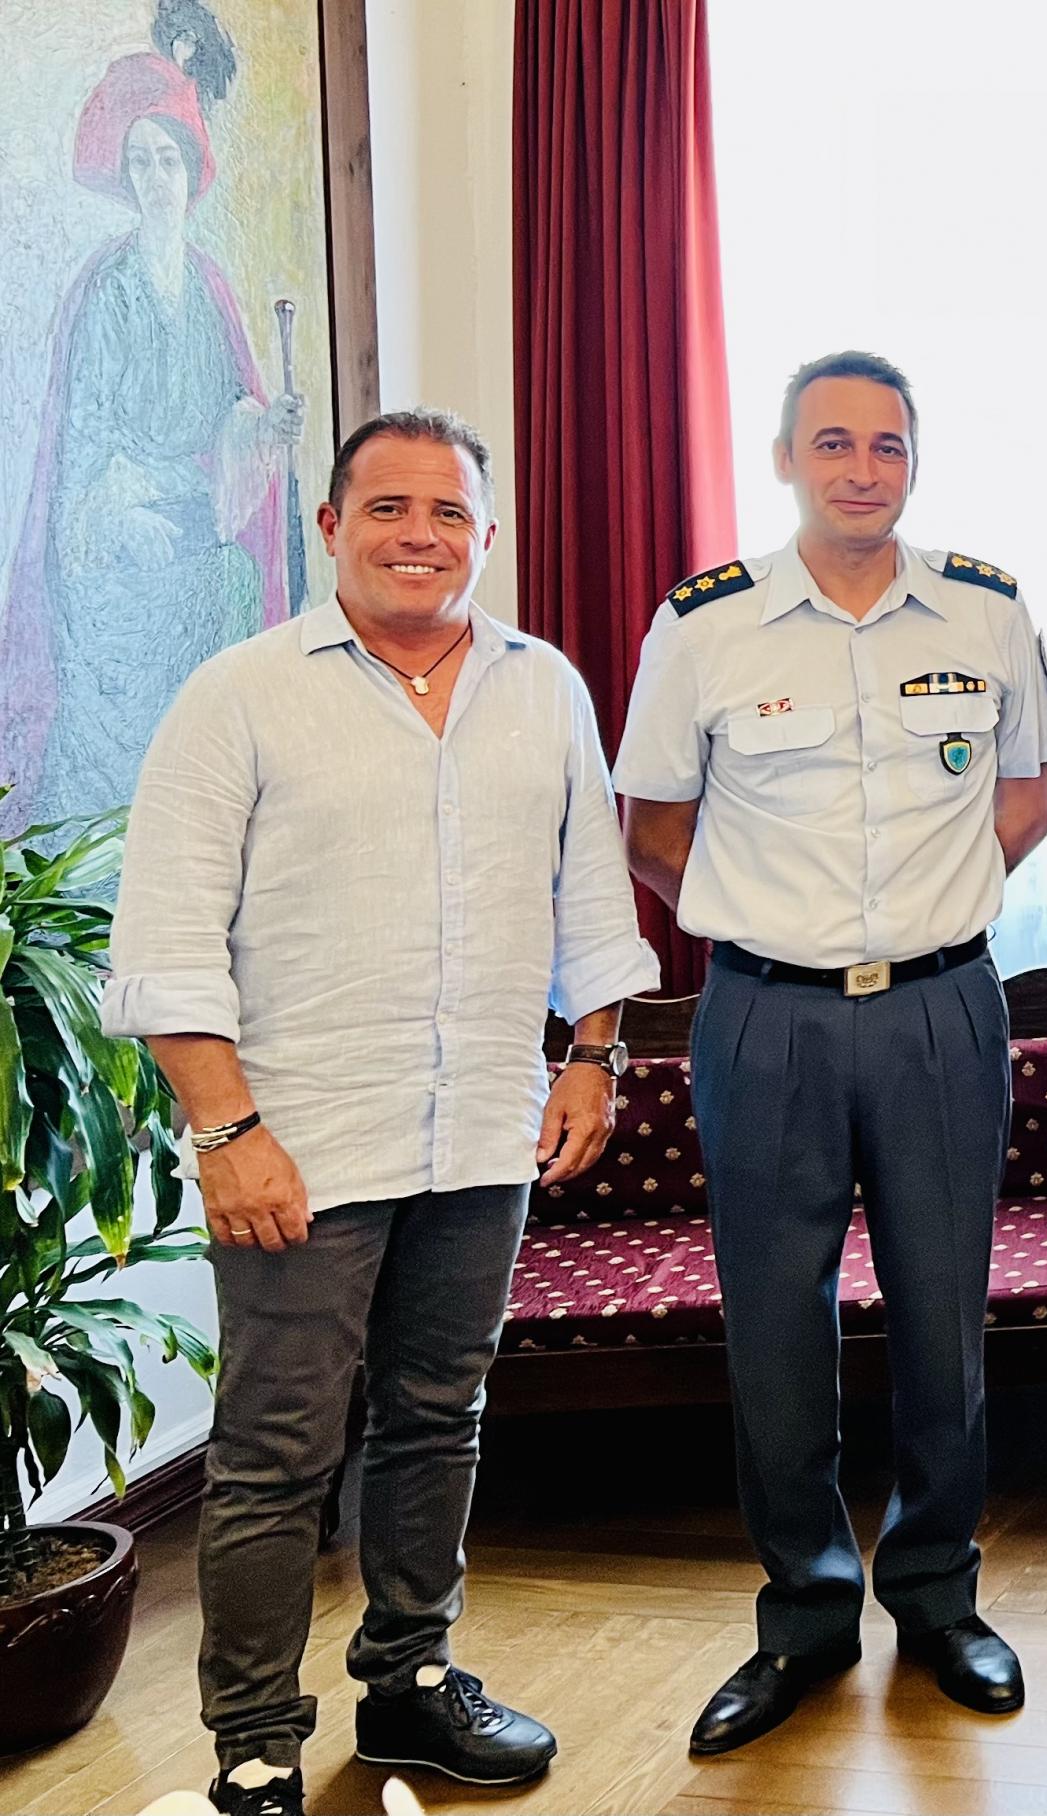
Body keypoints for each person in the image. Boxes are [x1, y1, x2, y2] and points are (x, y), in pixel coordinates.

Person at [103, 409, 655, 1816]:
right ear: (330, 527)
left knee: (438, 1417)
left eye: (449, 512)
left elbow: (589, 894)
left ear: (488, 534)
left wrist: (594, 1053)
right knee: (277, 1453)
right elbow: (166, 936)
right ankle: (254, 1745)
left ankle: (409, 1681)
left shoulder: (543, 687)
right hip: (297, 1144)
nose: (421, 535)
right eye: (389, 508)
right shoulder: (237, 695)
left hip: (480, 1126)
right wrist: (227, 1133)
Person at [614, 351, 1047, 1753]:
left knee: (944, 1317)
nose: (863, 469)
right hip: (767, 1018)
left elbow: (1026, 800)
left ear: (915, 459)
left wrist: (918, 922)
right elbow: (654, 830)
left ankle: (938, 1596)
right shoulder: (706, 625)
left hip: (940, 1009)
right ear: (785, 459)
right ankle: (804, 1614)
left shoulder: (989, 609)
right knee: (774, 1325)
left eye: (888, 445)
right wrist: (782, 932)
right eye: (833, 444)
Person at [2, 9, 304, 836]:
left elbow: (228, 414)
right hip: (119, 546)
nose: (156, 176)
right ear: (125, 175)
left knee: (232, 595)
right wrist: (119, 514)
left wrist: (262, 428)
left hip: (194, 531)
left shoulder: (207, 286)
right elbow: (83, 443)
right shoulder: (107, 289)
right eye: (140, 161)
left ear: (190, 170)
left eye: (168, 159)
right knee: (135, 643)